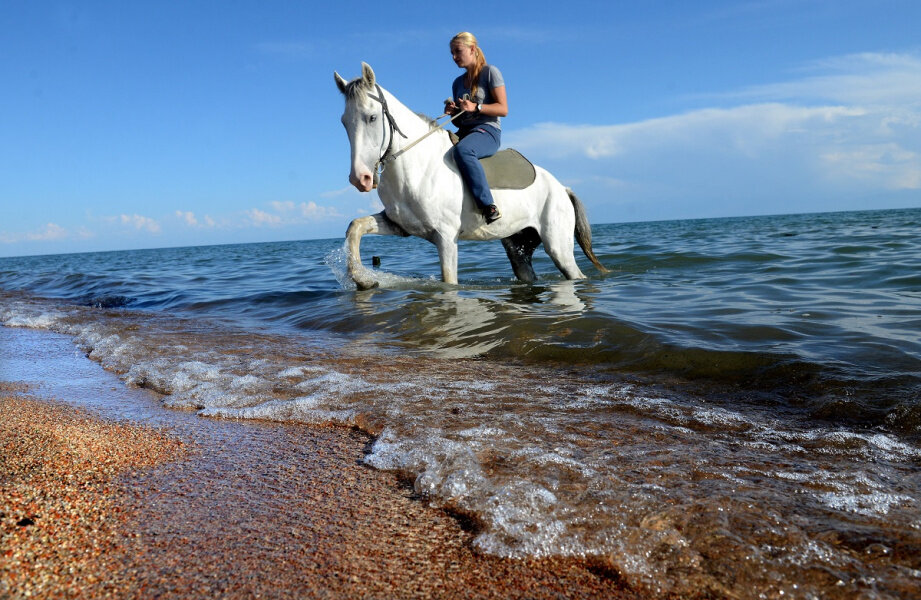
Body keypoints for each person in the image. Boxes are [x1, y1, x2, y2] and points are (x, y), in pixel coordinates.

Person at [444, 32, 508, 224]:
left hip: (488, 130)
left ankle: (488, 206)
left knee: (464, 150)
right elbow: (459, 121)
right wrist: (453, 112)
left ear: (472, 49)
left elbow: (503, 109)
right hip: (465, 130)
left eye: (458, 51)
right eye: (452, 53)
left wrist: (477, 107)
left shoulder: (490, 72)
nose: (454, 57)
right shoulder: (457, 83)